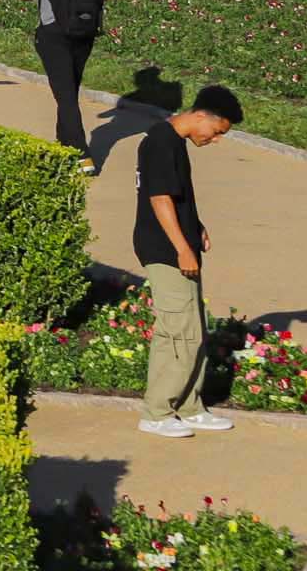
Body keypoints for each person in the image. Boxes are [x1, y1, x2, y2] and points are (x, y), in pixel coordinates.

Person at [134, 86, 246, 440]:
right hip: (165, 250)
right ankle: (157, 413)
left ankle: (189, 407)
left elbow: (177, 197)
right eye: (216, 132)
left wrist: (196, 227)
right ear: (200, 116)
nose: (215, 140)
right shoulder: (161, 142)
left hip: (179, 245)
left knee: (192, 327)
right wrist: (182, 247)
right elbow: (160, 198)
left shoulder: (172, 140)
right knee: (177, 332)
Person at [16, 0, 113, 163]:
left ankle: (82, 156)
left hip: (53, 29)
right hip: (86, 29)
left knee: (66, 95)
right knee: (68, 89)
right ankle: (63, 147)